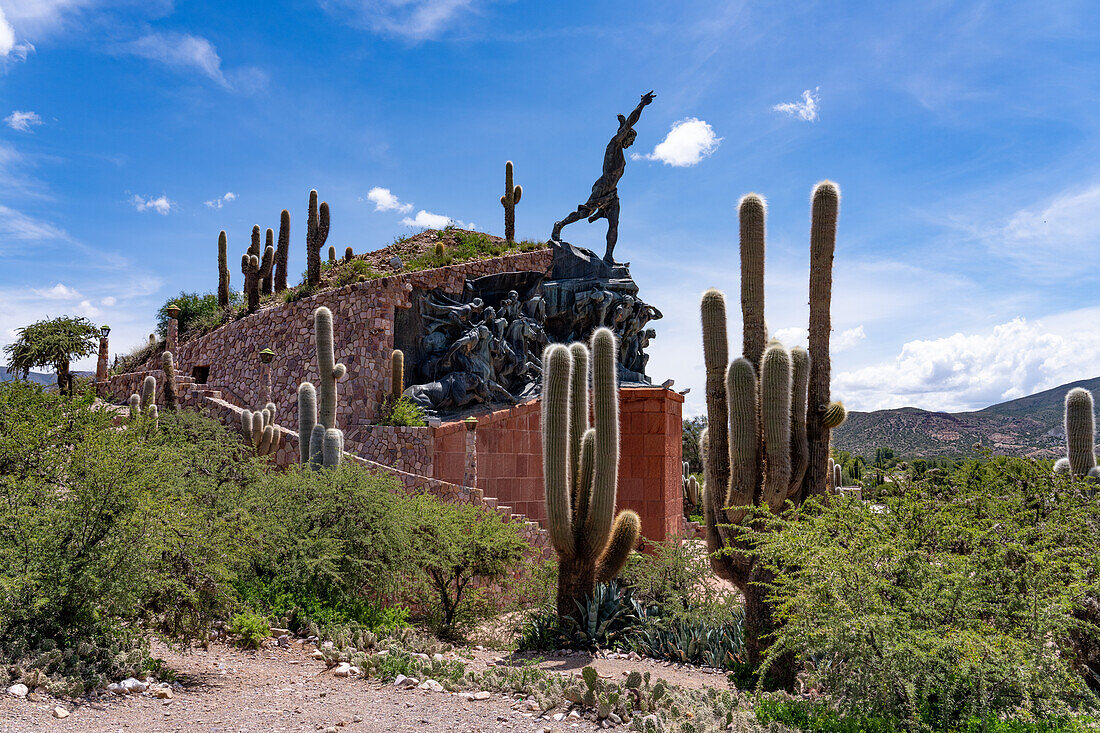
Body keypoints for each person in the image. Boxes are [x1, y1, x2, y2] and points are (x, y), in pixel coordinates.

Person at [551, 91, 655, 263]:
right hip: (601, 188)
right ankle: (559, 225)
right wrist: (642, 104)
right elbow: (630, 122)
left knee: (614, 224)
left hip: (612, 193)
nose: (632, 143)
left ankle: (608, 256)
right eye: (631, 139)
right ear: (625, 136)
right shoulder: (614, 146)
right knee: (583, 214)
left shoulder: (622, 156)